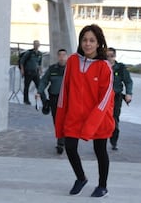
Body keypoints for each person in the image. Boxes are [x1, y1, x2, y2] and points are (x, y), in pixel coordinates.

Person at [55, 24, 114, 197]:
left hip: (99, 118)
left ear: (98, 43)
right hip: (74, 116)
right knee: (70, 147)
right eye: (84, 40)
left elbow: (105, 99)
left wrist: (91, 123)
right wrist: (61, 115)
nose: (87, 44)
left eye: (92, 40)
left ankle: (102, 186)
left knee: (100, 151)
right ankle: (81, 178)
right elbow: (64, 90)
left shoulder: (104, 66)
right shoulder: (73, 60)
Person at [35, 49, 67, 154]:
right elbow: (44, 81)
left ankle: (62, 141)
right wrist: (39, 92)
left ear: (67, 57)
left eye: (64, 55)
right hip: (54, 99)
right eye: (60, 55)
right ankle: (61, 140)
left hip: (67, 99)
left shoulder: (71, 69)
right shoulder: (52, 69)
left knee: (66, 120)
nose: (62, 57)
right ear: (58, 57)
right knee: (57, 120)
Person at [107, 47, 133, 151]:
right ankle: (101, 141)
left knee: (114, 119)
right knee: (102, 120)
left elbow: (128, 81)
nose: (109, 58)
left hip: (116, 97)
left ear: (115, 56)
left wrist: (128, 93)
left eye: (111, 56)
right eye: (107, 56)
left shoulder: (120, 68)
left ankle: (114, 141)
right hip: (103, 98)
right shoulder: (100, 66)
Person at [19, 40, 43, 105]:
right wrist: (22, 70)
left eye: (38, 44)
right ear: (33, 45)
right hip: (28, 72)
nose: (37, 45)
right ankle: (26, 100)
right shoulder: (29, 53)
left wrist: (41, 71)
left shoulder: (40, 54)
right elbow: (22, 61)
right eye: (35, 44)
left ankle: (44, 100)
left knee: (40, 86)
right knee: (26, 87)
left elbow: (39, 64)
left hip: (36, 73)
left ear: (39, 45)